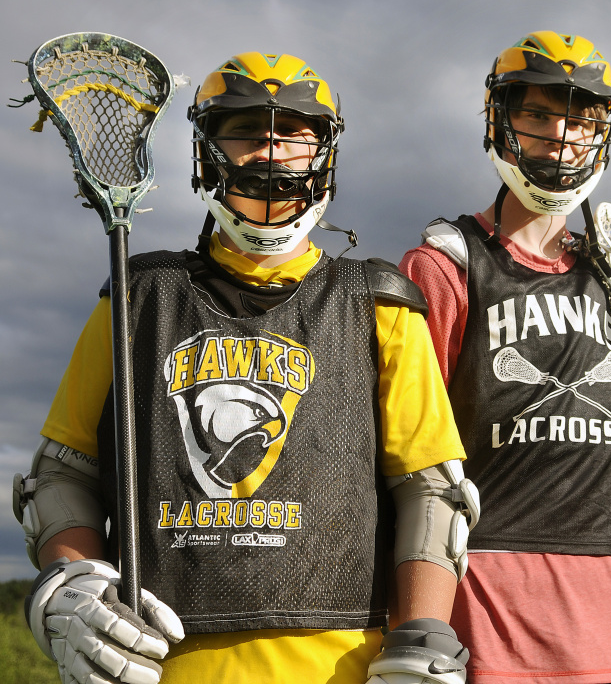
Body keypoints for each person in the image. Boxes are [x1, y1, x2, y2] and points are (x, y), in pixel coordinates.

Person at [13, 52, 479, 684]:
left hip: (345, 664)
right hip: (159, 662)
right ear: (207, 150)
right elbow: (61, 475)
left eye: (291, 133)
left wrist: (424, 633)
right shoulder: (139, 294)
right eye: (244, 132)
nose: (269, 152)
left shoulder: (378, 301)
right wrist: (75, 588)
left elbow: (432, 490)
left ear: (324, 151)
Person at [400, 31, 611, 684]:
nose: (560, 137)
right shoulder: (445, 264)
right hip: (488, 606)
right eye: (538, 115)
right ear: (500, 119)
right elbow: (409, 455)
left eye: (580, 120)